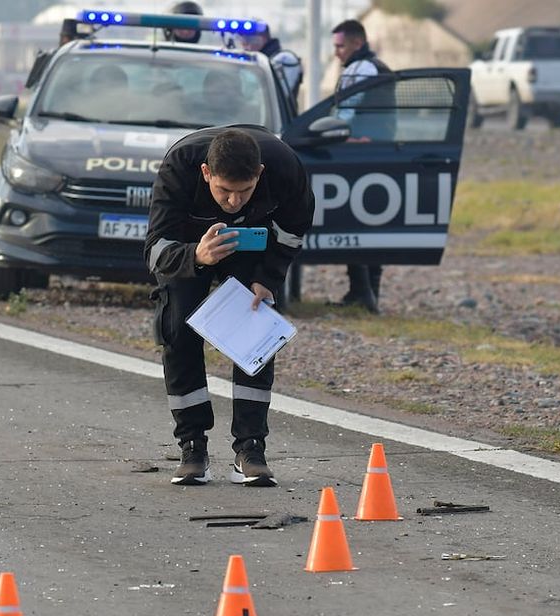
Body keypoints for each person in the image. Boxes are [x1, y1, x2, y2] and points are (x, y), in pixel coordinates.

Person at [144, 127, 314, 487]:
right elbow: (156, 250)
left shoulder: (286, 168)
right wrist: (196, 255)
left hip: (251, 248)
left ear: (260, 174)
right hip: (191, 247)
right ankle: (192, 447)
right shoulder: (178, 168)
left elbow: (293, 232)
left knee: (256, 332)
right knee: (177, 328)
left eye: (244, 192)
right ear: (206, 173)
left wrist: (269, 277)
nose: (234, 201)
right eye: (224, 191)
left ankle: (251, 449)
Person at [332, 18, 391, 314]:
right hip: (378, 153)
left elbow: (346, 115)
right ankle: (365, 292)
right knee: (368, 225)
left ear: (357, 42)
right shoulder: (373, 66)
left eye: (340, 46)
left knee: (356, 224)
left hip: (361, 156)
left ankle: (365, 294)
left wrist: (329, 132)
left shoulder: (361, 69)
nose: (337, 53)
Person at [240, 26, 303, 112]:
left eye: (250, 40)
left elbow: (270, 98)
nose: (246, 47)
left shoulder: (284, 59)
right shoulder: (247, 62)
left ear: (263, 39)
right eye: (243, 42)